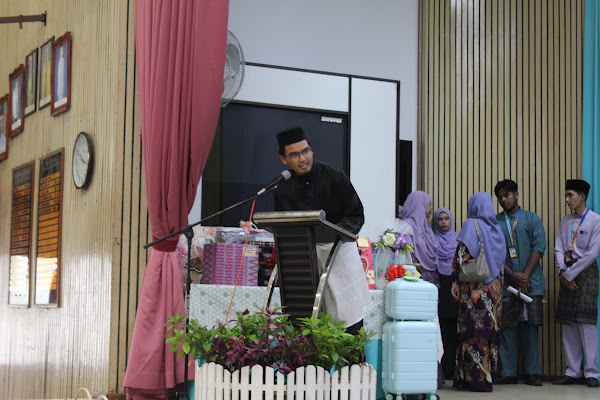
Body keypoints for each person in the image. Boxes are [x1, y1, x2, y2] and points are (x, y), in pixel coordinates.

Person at [273, 126, 372, 335]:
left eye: (306, 151)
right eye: (294, 155)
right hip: (304, 260)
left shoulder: (335, 177)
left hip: (339, 254)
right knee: (305, 325)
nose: (303, 158)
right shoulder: (282, 188)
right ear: (283, 159)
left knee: (348, 325)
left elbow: (356, 214)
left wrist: (335, 233)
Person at [451, 192, 506, 392]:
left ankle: (473, 379)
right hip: (494, 290)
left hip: (474, 287)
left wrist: (454, 280)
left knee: (471, 332)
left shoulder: (470, 225)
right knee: (488, 333)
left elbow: (461, 256)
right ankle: (487, 376)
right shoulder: (497, 229)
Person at [493, 180, 546, 386]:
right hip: (507, 283)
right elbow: (493, 253)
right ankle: (508, 373)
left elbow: (538, 248)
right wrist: (512, 274)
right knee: (507, 328)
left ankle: (532, 373)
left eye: (507, 195)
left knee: (530, 328)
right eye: (500, 197)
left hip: (531, 283)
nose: (503, 200)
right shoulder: (495, 222)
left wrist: (524, 276)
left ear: (516, 194)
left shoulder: (531, 219)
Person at [552, 179, 600, 388]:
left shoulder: (596, 220)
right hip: (566, 273)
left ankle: (592, 373)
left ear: (582, 196)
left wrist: (570, 274)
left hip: (586, 274)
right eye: (566, 195)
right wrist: (562, 271)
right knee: (568, 323)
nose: (567, 199)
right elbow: (559, 247)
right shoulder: (565, 221)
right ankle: (573, 372)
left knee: (586, 323)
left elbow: (592, 253)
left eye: (570, 195)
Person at [433, 207, 459, 380]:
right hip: (439, 286)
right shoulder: (432, 240)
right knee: (440, 328)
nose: (443, 222)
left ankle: (451, 369)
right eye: (440, 219)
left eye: (446, 219)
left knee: (453, 329)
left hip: (454, 286)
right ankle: (442, 370)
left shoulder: (458, 239)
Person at [402, 191, 439, 285]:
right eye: (429, 204)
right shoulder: (407, 226)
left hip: (430, 279)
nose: (431, 207)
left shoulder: (426, 228)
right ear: (419, 205)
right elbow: (407, 256)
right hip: (413, 280)